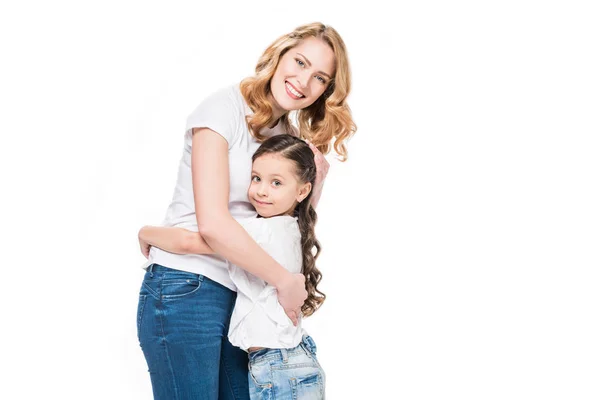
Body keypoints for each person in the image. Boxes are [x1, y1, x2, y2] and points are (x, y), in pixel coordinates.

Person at [136, 22, 356, 399]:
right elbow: (215, 227)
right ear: (279, 54)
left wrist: (313, 187)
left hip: (242, 294)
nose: (303, 82)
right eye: (300, 62)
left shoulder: (284, 136)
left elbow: (280, 232)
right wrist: (285, 281)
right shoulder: (223, 108)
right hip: (187, 285)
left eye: (320, 78)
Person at [140, 134, 327, 399]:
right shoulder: (294, 227)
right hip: (295, 359)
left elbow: (189, 242)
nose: (261, 190)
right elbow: (306, 204)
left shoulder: (260, 230)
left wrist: (146, 232)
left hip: (277, 367)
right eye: (256, 178)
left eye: (276, 183)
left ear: (302, 190)